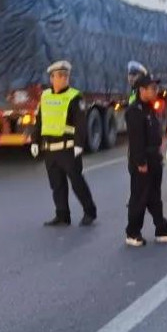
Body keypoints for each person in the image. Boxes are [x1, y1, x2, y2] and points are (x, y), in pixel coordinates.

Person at [31, 60, 97, 227]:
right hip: (50, 150)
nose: (63, 79)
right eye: (59, 76)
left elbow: (80, 123)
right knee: (57, 185)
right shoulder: (45, 96)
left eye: (65, 76)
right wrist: (35, 141)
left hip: (68, 149)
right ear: (51, 78)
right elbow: (39, 121)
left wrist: (78, 145)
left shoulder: (74, 97)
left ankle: (89, 212)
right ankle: (62, 215)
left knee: (77, 182)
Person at [125, 73, 167, 247]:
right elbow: (136, 141)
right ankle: (132, 233)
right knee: (139, 198)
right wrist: (141, 163)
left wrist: (158, 157)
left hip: (153, 159)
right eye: (152, 88)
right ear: (142, 90)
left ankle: (162, 230)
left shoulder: (150, 109)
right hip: (143, 162)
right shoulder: (135, 111)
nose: (156, 90)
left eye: (156, 88)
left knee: (154, 197)